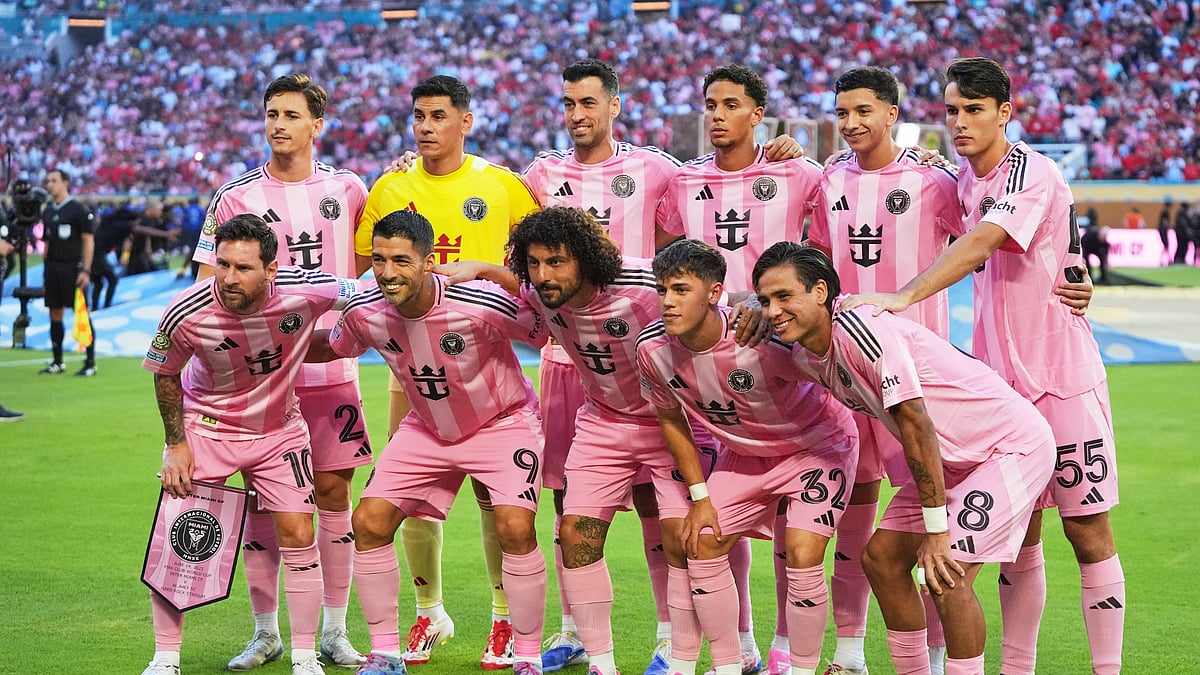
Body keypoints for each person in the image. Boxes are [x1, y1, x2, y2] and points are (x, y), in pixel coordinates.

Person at [842, 57, 1123, 675]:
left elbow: (980, 244)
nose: (961, 122)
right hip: (999, 390)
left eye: (974, 110)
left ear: (1005, 113)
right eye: (952, 111)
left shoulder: (1030, 169)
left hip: (1062, 378)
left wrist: (903, 297)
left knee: (1087, 532)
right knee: (1018, 541)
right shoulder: (962, 180)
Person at [755, 243, 1055, 675]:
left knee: (946, 574)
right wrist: (741, 304)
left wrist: (937, 531)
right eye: (765, 300)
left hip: (1007, 449)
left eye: (784, 296)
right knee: (881, 559)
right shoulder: (807, 353)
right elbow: (731, 313)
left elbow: (917, 425)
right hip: (950, 462)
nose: (772, 311)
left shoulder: (861, 330)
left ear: (820, 292)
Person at [311, 209, 550, 675]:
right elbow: (334, 346)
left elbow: (542, 329)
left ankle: (527, 657)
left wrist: (494, 271)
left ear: (428, 261)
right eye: (379, 260)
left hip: (502, 423)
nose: (387, 272)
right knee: (369, 523)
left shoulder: (479, 301)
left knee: (515, 529)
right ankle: (385, 655)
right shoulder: (363, 311)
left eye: (401, 260)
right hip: (427, 429)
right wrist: (264, 340)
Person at [356, 74, 540, 670]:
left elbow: (534, 269)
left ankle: (503, 617)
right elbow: (368, 273)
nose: (426, 127)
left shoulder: (503, 186)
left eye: (438, 116)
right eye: (419, 116)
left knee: (497, 502)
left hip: (483, 364)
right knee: (406, 495)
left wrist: (486, 273)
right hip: (412, 369)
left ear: (466, 121)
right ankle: (428, 611)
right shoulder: (390, 187)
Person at [193, 73, 373, 671]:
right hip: (261, 384)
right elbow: (205, 287)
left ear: (317, 124)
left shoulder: (349, 189)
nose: (279, 124)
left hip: (331, 371)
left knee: (334, 495)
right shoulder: (234, 196)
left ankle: (335, 632)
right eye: (272, 113)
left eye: (292, 115)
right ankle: (266, 632)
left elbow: (368, 272)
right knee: (264, 505)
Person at [655, 64, 825, 675]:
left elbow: (829, 239)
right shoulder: (682, 181)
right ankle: (745, 646)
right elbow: (663, 250)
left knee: (792, 525)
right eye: (711, 104)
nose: (718, 115)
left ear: (758, 115)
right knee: (725, 512)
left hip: (778, 355)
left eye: (732, 104)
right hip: (707, 365)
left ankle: (790, 648)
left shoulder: (797, 173)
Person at [140, 214, 359, 675]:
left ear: (271, 269)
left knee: (299, 533)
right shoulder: (186, 310)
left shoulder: (307, 289)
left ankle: (304, 656)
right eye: (223, 265)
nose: (228, 277)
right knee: (182, 537)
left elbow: (368, 292)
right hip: (208, 428)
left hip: (279, 431)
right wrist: (175, 444)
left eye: (242, 268)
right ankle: (165, 659)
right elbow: (165, 373)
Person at [637, 239, 858, 675]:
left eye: (680, 290)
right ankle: (729, 665)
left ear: (715, 293)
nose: (667, 302)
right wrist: (699, 497)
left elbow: (831, 357)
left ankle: (801, 670)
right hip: (746, 456)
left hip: (816, 449)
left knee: (801, 552)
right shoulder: (651, 349)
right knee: (701, 540)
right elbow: (670, 419)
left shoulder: (762, 338)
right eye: (662, 290)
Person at [804, 65, 960, 675]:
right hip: (849, 374)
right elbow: (819, 259)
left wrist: (1072, 273)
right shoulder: (830, 179)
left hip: (919, 377)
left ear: (892, 114)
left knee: (933, 516)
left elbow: (985, 238)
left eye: (863, 111)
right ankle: (849, 652)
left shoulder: (934, 179)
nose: (850, 123)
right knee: (854, 513)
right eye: (842, 113)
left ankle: (939, 656)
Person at [38, 168, 97, 377]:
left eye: (54, 180)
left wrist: (86, 270)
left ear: (65, 183)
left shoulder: (78, 210)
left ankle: (90, 362)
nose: (49, 185)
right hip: (53, 268)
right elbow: (46, 243)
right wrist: (45, 270)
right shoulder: (47, 211)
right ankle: (57, 361)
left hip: (73, 268)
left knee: (81, 312)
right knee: (55, 312)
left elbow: (88, 240)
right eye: (48, 181)